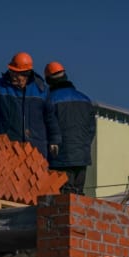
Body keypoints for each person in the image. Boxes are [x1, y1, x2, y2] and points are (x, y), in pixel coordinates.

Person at [44, 61, 96, 195]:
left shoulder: (50, 100)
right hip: (81, 157)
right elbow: (91, 130)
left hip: (60, 159)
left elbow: (48, 128)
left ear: (49, 81)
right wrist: (83, 146)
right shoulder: (85, 100)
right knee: (78, 196)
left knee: (64, 197)